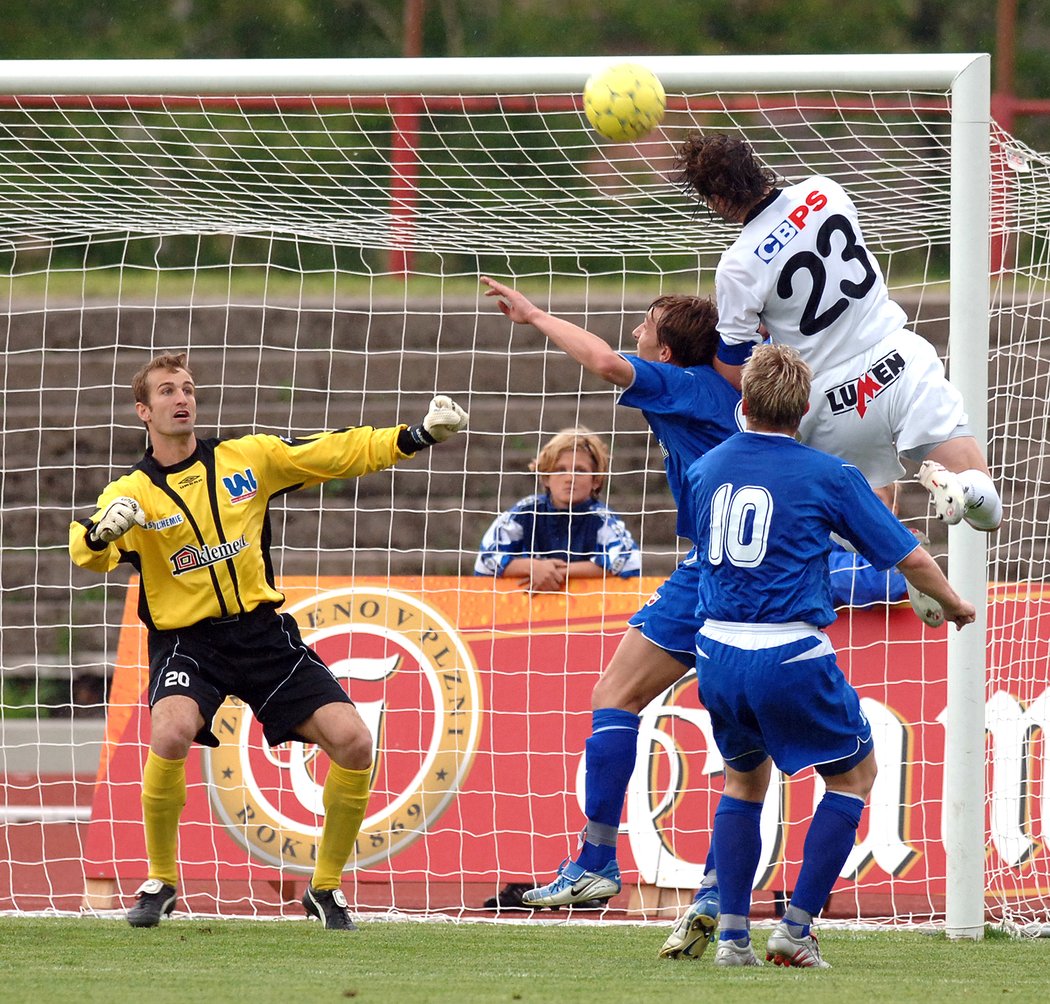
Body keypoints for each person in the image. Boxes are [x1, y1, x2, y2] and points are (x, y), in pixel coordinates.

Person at [68, 352, 468, 930]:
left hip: (262, 637)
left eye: (187, 388)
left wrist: (415, 436)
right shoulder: (131, 492)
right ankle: (159, 880)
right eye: (166, 392)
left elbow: (330, 453)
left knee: (355, 742)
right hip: (187, 642)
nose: (182, 398)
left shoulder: (246, 459)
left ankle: (325, 888)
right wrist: (103, 531)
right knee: (172, 730)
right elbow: (89, 550)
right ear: (143, 411)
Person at [680, 343, 974, 968]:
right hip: (788, 652)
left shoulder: (704, 469)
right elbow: (908, 557)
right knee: (853, 777)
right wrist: (953, 603)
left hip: (716, 649)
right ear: (806, 406)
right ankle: (796, 928)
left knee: (742, 780)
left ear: (745, 402)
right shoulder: (829, 474)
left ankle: (732, 938)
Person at [481, 277, 740, 958]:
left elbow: (602, 361)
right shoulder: (731, 386)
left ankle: (611, 867)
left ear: (669, 348)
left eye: (645, 325)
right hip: (738, 569)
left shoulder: (683, 386)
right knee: (717, 730)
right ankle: (696, 886)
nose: (634, 334)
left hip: (726, 573)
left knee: (645, 706)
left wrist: (535, 314)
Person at [672, 132, 1002, 549]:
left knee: (852, 529)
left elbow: (737, 368)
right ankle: (964, 490)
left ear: (715, 201)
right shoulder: (824, 190)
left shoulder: (737, 266)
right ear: (755, 165)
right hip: (898, 357)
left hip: (832, 400)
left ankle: (907, 559)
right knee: (987, 510)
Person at [474, 426, 641, 590]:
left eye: (580, 471)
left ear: (595, 480)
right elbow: (486, 559)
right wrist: (532, 567)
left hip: (589, 611)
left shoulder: (602, 519)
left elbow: (628, 561)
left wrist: (558, 572)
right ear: (546, 477)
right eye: (561, 470)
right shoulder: (526, 512)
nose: (570, 478)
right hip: (526, 609)